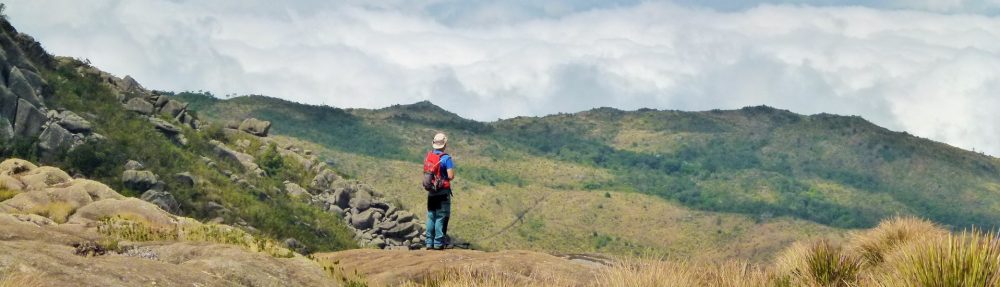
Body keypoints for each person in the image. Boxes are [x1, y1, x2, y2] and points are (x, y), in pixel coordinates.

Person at [425, 132, 455, 250]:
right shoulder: (446, 158)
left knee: (431, 216)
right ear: (445, 144)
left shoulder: (428, 157)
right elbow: (450, 176)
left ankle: (428, 242)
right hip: (443, 192)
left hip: (431, 192)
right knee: (441, 217)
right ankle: (438, 243)